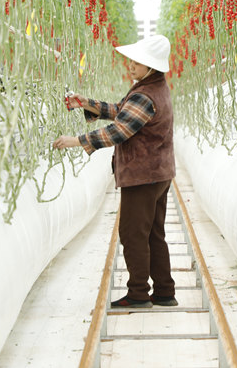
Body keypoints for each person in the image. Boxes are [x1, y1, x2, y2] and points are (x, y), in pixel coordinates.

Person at [52, 34, 177, 309]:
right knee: (154, 233)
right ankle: (165, 292)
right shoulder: (152, 88)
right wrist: (86, 103)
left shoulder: (146, 95)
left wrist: (77, 141)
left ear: (151, 67)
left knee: (133, 234)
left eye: (137, 62)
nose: (131, 65)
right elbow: (122, 111)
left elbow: (119, 130)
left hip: (143, 176)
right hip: (158, 173)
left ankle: (138, 293)